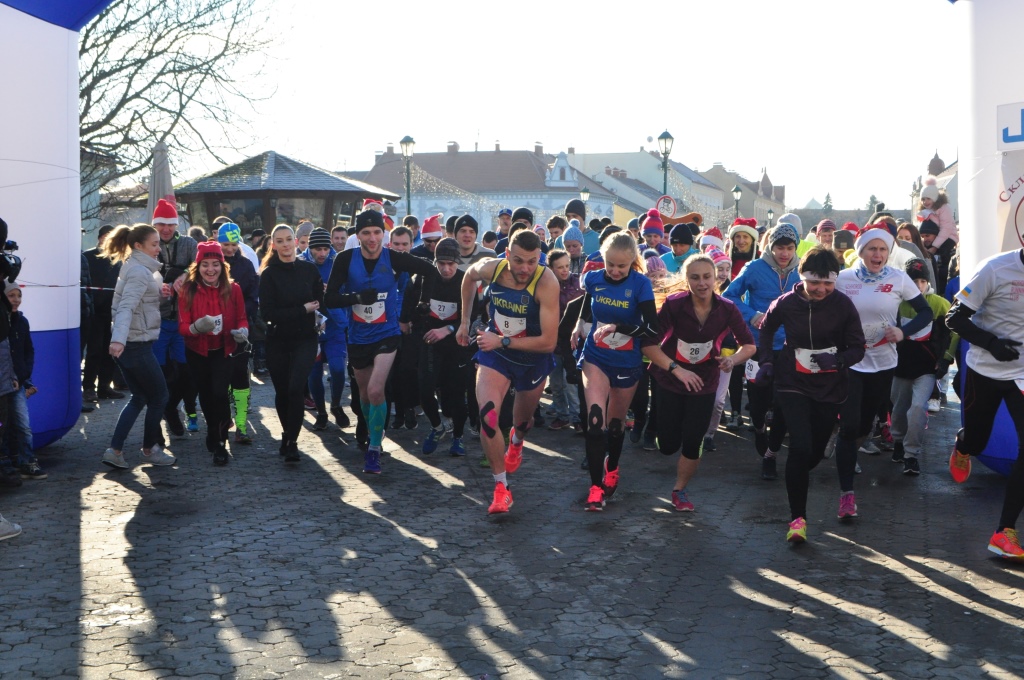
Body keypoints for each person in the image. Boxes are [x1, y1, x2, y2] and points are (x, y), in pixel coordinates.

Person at [756, 247, 865, 542]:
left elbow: (858, 346)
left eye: (828, 283)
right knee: (801, 447)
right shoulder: (786, 303)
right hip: (792, 382)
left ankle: (797, 469)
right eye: (814, 282)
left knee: (813, 455)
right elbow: (765, 331)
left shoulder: (843, 306)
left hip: (830, 386)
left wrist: (840, 360)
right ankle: (797, 520)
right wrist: (767, 361)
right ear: (802, 276)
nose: (820, 289)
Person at [325, 210, 437, 473]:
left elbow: (430, 271)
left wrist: (423, 302)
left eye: (377, 232)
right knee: (364, 394)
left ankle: (374, 448)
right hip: (358, 336)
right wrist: (356, 297)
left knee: (376, 390)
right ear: (358, 235)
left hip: (387, 334)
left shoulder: (394, 258)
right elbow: (329, 298)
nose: (372, 238)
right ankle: (373, 433)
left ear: (383, 234)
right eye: (366, 233)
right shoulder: (344, 259)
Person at [833, 226, 933, 519]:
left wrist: (903, 331)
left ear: (889, 253)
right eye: (871, 249)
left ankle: (850, 450)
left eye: (882, 250)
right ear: (860, 251)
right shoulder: (844, 278)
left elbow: (926, 313)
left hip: (884, 363)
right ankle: (847, 495)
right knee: (850, 425)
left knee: (864, 426)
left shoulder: (899, 278)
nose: (877, 255)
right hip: (851, 362)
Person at [643, 255, 756, 511]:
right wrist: (677, 370)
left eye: (707, 276)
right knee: (669, 445)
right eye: (695, 277)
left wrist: (732, 361)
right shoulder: (674, 305)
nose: (702, 283)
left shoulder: (727, 308)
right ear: (687, 279)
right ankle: (665, 433)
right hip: (670, 380)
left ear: (715, 277)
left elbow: (749, 345)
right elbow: (649, 345)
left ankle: (679, 490)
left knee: (693, 441)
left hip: (704, 383)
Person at [457, 229, 559, 514]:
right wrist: (464, 321)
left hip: (532, 359)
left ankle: (516, 441)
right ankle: (501, 488)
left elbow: (549, 342)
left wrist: (502, 340)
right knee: (487, 415)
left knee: (523, 422)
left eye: (531, 261)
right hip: (496, 355)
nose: (525, 268)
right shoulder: (492, 267)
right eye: (518, 261)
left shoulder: (546, 282)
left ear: (540, 258)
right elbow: (468, 277)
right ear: (506, 256)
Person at [947, 246, 1024, 558]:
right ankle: (964, 446)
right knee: (978, 440)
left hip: (1022, 374)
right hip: (986, 370)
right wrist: (992, 344)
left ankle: (1004, 532)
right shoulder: (995, 268)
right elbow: (955, 318)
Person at [572, 232, 659, 511]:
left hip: (627, 361)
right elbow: (588, 303)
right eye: (610, 264)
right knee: (595, 421)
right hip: (596, 357)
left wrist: (618, 328)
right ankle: (595, 488)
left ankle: (613, 465)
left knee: (614, 425)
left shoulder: (640, 284)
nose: (615, 271)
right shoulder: (595, 278)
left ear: (633, 261)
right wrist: (579, 325)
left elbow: (653, 328)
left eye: (622, 266)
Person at [724, 223, 802, 479]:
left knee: (783, 402)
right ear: (771, 246)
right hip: (758, 345)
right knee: (757, 401)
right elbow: (729, 296)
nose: (784, 253)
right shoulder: (754, 268)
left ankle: (771, 454)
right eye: (780, 247)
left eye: (789, 248)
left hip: (789, 347)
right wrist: (752, 314)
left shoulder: (801, 272)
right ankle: (758, 428)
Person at [101, 224, 175, 469]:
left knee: (140, 397)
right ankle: (149, 448)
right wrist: (118, 340)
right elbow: (126, 307)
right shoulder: (140, 272)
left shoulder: (137, 267)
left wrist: (160, 291)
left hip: (131, 344)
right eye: (154, 244)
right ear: (138, 246)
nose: (158, 248)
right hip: (135, 345)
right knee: (160, 396)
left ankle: (115, 450)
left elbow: (137, 300)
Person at [178, 242, 249, 465]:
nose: (211, 269)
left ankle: (220, 443)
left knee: (219, 393)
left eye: (215, 264)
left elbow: (242, 317)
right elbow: (182, 326)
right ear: (197, 267)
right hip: (197, 351)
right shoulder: (187, 290)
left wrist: (242, 331)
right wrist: (196, 328)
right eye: (205, 264)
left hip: (224, 349)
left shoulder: (233, 288)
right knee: (206, 395)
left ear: (223, 265)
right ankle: (212, 430)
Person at [258, 225, 325, 462]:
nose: (285, 244)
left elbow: (321, 303)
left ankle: (293, 441)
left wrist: (321, 318)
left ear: (296, 242)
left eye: (289, 240)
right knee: (283, 391)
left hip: (306, 338)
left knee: (296, 388)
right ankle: (286, 434)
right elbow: (268, 313)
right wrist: (302, 310)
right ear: (273, 245)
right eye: (280, 241)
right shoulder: (268, 274)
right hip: (278, 339)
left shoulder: (309, 270)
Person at [402, 238, 474, 455]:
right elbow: (408, 306)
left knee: (455, 398)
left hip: (457, 344)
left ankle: (458, 437)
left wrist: (448, 329)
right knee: (424, 391)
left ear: (457, 262)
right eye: (441, 263)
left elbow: (473, 317)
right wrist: (406, 320)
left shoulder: (465, 282)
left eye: (450, 264)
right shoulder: (424, 280)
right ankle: (437, 427)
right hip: (430, 344)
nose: (445, 268)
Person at [890, 258, 957, 475]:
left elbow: (955, 331)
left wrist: (946, 359)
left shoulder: (938, 303)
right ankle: (898, 442)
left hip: (927, 369)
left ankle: (911, 456)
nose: (918, 285)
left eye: (922, 280)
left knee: (918, 408)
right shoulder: (895, 301)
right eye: (913, 280)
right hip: (899, 367)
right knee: (899, 410)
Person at [150, 199, 200, 437]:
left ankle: (172, 407)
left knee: (186, 373)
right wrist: (157, 286)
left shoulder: (189, 243)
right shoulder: (149, 244)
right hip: (157, 320)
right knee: (161, 374)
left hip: (184, 319)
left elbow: (201, 266)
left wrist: (185, 277)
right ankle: (164, 416)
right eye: (160, 224)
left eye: (170, 224)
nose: (166, 229)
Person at [299, 228, 350, 431]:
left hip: (336, 325)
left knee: (338, 369)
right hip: (311, 328)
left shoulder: (338, 262)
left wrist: (333, 292)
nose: (322, 253)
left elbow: (349, 291)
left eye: (325, 249)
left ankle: (336, 405)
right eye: (317, 249)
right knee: (314, 372)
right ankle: (321, 411)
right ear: (309, 248)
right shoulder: (300, 264)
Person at [216, 223, 259, 443]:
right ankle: (223, 423)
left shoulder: (245, 265)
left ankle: (241, 425)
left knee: (241, 377)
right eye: (226, 244)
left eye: (234, 244)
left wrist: (242, 314)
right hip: (215, 331)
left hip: (241, 330)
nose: (230, 249)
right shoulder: (211, 265)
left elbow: (253, 295)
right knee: (220, 381)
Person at [4, 283, 44, 480]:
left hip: (17, 382)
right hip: (4, 382)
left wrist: (25, 375)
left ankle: (27, 461)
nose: (16, 299)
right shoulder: (4, 321)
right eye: (11, 295)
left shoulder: (22, 321)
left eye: (18, 295)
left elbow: (28, 350)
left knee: (23, 424)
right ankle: (10, 461)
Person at [83, 225, 125, 401]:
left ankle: (105, 386)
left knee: (110, 351)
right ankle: (88, 387)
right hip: (94, 310)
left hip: (112, 310)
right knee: (94, 350)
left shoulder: (119, 258)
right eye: (106, 236)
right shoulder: (88, 256)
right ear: (100, 238)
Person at [703, 247, 739, 449]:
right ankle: (696, 431)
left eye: (727, 268)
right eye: (719, 268)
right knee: (700, 395)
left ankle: (710, 433)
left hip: (725, 353)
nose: (724, 273)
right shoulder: (696, 292)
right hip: (699, 354)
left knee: (718, 399)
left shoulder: (734, 292)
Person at [547, 249, 583, 430]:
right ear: (551, 268)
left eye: (567, 266)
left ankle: (577, 418)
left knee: (570, 382)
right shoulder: (546, 285)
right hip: (552, 341)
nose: (564, 270)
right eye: (559, 267)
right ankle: (562, 415)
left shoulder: (579, 283)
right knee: (555, 383)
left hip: (571, 341)